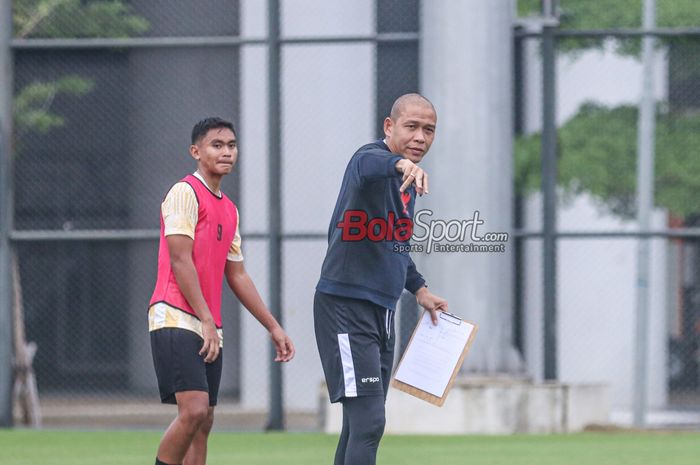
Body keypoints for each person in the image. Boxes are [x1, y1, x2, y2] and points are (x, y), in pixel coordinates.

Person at [148, 117, 295, 465]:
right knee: (194, 411)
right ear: (196, 152)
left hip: (205, 322)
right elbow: (180, 261)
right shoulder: (184, 192)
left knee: (204, 421)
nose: (226, 152)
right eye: (217, 145)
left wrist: (273, 327)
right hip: (175, 315)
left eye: (231, 145)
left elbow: (238, 275)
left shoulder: (228, 209)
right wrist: (206, 320)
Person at [314, 93, 448, 465]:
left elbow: (395, 245)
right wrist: (401, 165)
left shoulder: (405, 185)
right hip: (346, 307)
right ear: (389, 127)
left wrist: (419, 289)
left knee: (358, 426)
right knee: (370, 422)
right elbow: (372, 163)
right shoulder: (369, 161)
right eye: (411, 127)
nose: (421, 137)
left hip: (382, 311)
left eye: (429, 130)